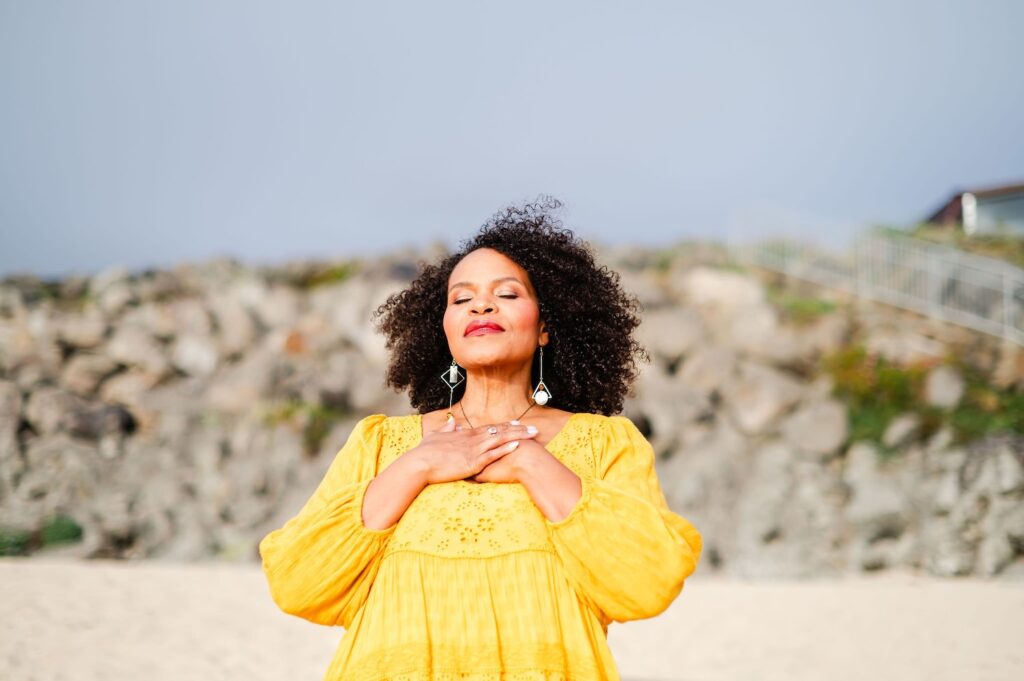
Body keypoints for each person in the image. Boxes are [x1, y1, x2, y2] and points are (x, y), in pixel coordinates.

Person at [258, 197, 703, 680]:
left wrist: (533, 463)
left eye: (508, 294)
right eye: (461, 298)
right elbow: (297, 582)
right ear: (445, 330)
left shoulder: (605, 443)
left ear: (546, 328)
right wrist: (418, 467)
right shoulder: (381, 443)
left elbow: (646, 582)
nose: (482, 305)